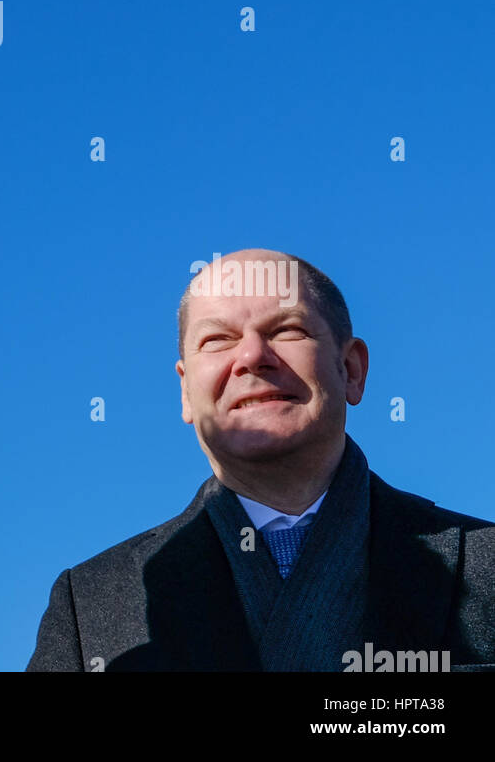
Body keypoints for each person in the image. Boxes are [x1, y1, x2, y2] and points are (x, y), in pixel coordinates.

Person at [27, 248, 495, 672]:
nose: (251, 356)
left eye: (286, 330)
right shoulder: (90, 604)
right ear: (186, 391)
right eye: (217, 340)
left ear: (351, 370)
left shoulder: (484, 563)